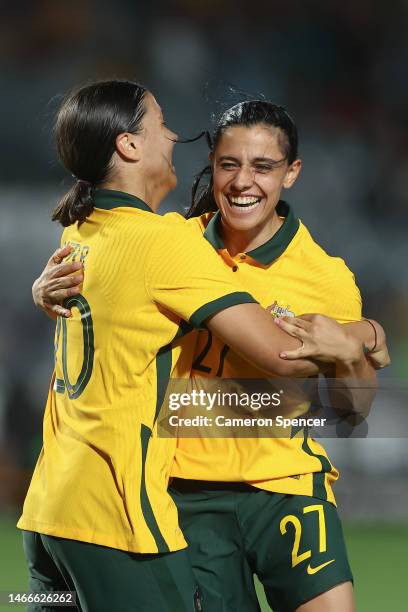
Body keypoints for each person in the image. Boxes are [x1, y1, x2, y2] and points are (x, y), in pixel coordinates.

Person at [20, 81, 373, 612]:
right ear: (211, 164)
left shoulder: (326, 277)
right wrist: (371, 334)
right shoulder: (175, 241)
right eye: (230, 164)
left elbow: (353, 409)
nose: (243, 181)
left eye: (264, 166)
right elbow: (279, 352)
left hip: (283, 482)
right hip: (182, 491)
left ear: (291, 172)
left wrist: (353, 350)